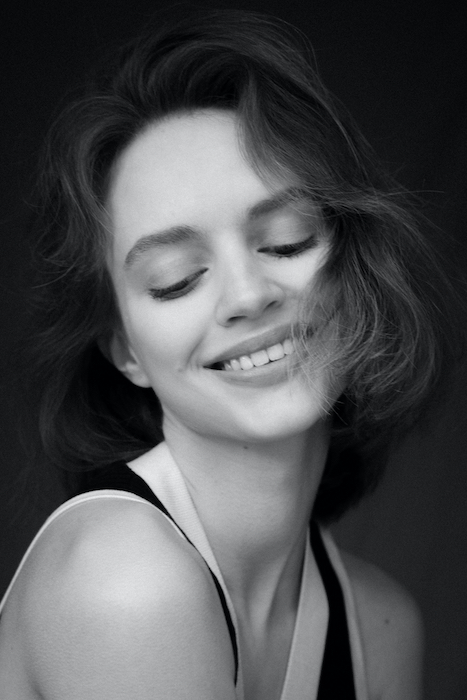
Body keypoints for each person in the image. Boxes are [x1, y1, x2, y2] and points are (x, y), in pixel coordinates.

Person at [0, 8, 456, 699]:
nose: (247, 295)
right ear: (124, 350)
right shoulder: (123, 581)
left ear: (353, 264)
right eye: (176, 278)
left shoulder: (383, 626)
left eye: (286, 239)